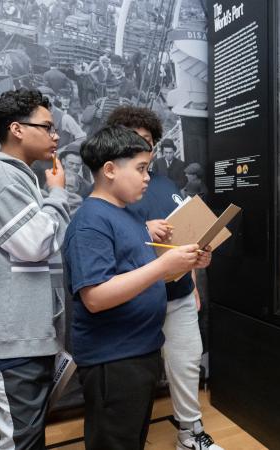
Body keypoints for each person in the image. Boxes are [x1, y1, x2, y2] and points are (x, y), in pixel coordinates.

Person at [62, 125, 210, 449]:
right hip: (113, 360)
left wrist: (184, 262)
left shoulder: (127, 215)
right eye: (141, 168)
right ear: (110, 170)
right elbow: (96, 297)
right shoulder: (91, 221)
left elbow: (136, 271)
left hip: (137, 352)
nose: (147, 177)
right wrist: (162, 266)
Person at [0, 88, 70, 449]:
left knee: (20, 437)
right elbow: (35, 244)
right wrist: (58, 195)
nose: (55, 136)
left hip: (19, 335)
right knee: (17, 441)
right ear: (17, 129)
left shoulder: (15, 177)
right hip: (9, 339)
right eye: (47, 127)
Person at [106, 106, 224, 450]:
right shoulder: (109, 186)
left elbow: (187, 234)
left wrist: (198, 261)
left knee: (187, 361)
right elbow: (102, 233)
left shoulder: (166, 182)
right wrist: (143, 228)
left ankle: (190, 433)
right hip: (136, 297)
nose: (143, 148)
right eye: (134, 140)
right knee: (133, 373)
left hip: (180, 291)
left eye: (148, 142)